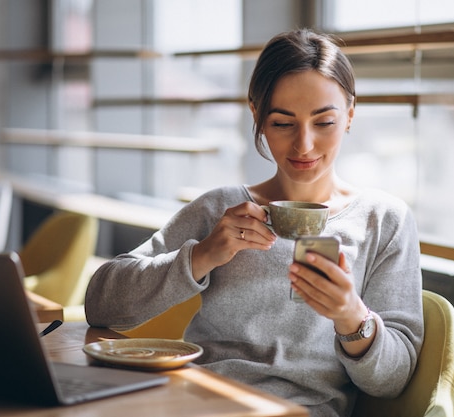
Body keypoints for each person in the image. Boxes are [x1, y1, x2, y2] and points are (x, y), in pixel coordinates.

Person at [85, 28, 423, 417]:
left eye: (324, 122)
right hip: (193, 403)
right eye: (282, 123)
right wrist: (202, 256)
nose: (304, 145)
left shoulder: (383, 221)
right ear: (257, 117)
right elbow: (100, 305)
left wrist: (351, 316)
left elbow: (394, 379)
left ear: (349, 115)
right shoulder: (220, 209)